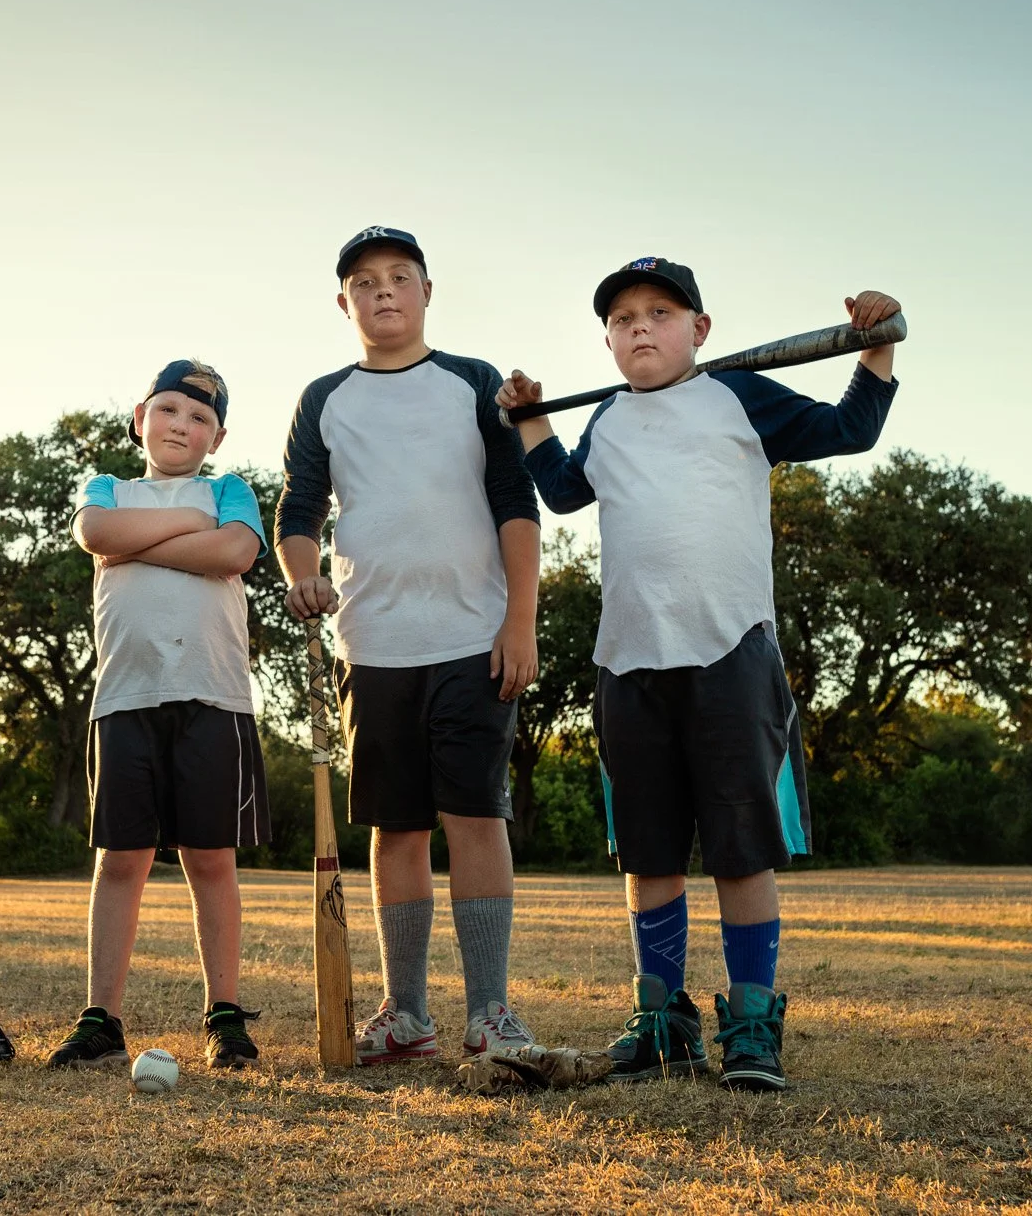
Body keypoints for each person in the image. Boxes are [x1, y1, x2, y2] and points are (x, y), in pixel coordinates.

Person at [499, 257, 901, 1089]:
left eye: (660, 312)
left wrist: (877, 350)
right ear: (608, 339)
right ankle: (662, 1020)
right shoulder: (607, 419)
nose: (640, 327)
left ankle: (752, 1024)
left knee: (740, 851)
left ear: (701, 330)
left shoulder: (739, 398)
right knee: (648, 856)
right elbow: (566, 491)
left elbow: (848, 430)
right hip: (629, 664)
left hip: (731, 653)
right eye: (622, 319)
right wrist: (531, 418)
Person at [276, 226, 542, 1063]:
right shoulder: (326, 397)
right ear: (344, 300)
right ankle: (408, 1012)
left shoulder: (471, 383)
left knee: (474, 813)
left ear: (428, 291)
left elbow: (515, 503)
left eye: (399, 277)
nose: (383, 291)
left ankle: (491, 1012)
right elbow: (298, 510)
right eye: (364, 281)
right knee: (394, 827)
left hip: (472, 636)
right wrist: (303, 574)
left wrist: (521, 621)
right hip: (373, 641)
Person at [49, 359, 271, 1072]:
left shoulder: (229, 491)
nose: (183, 424)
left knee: (211, 858)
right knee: (122, 859)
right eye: (170, 409)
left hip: (212, 694)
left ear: (219, 435)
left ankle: (225, 1013)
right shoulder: (108, 487)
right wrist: (185, 530)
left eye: (201, 417)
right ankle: (101, 1018)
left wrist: (138, 537)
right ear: (140, 416)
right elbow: (95, 532)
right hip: (127, 698)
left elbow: (236, 549)